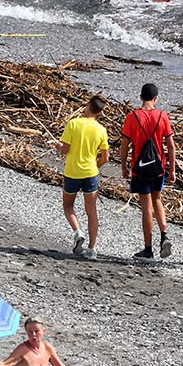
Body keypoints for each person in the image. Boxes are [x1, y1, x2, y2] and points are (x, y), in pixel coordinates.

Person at [119, 82, 176, 260]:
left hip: (140, 167)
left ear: (141, 96)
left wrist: (124, 165)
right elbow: (171, 146)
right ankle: (164, 234)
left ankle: (148, 249)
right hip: (158, 166)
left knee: (146, 207)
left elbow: (124, 145)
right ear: (155, 98)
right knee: (157, 199)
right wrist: (172, 169)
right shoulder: (162, 116)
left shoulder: (132, 117)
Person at [57, 94, 110, 261]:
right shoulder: (101, 130)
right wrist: (96, 166)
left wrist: (59, 146)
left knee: (68, 206)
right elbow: (105, 158)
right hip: (90, 173)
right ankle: (92, 248)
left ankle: (77, 231)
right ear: (100, 113)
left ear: (87, 104)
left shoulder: (73, 124)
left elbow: (65, 150)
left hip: (72, 172)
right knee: (91, 211)